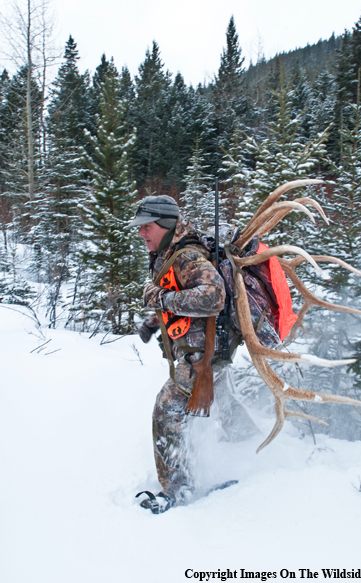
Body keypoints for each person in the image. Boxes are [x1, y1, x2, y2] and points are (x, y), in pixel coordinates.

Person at [131, 195, 261, 514]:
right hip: (210, 350)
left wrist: (158, 299)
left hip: (200, 356)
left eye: (146, 226)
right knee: (223, 401)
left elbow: (213, 297)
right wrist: (152, 322)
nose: (140, 233)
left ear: (164, 225)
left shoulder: (185, 255)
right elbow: (181, 291)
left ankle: (179, 488)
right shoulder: (171, 253)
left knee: (167, 409)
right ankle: (255, 450)